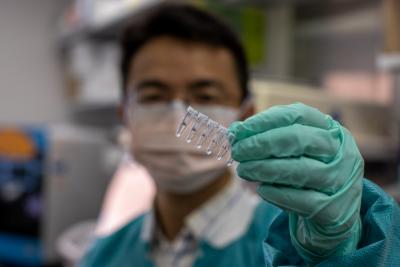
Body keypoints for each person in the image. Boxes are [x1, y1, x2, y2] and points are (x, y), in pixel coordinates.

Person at [80, 2, 400, 267]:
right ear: (125, 116)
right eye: (154, 96)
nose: (177, 114)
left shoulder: (296, 243)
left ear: (245, 114)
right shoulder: (102, 256)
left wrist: (337, 247)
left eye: (204, 95)